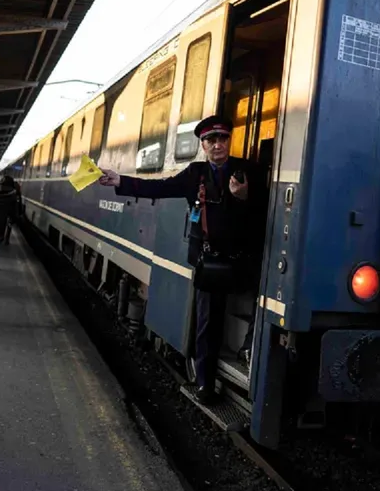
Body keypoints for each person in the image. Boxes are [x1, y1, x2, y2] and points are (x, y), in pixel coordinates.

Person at [98, 115, 267, 404]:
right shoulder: (195, 174)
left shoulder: (247, 170)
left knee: (261, 306)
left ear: (229, 141)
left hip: (242, 260)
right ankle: (204, 383)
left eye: (223, 138)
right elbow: (161, 188)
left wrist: (246, 197)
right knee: (208, 325)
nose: (217, 145)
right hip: (212, 262)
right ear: (203, 145)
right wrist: (121, 180)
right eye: (211, 140)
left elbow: (267, 209)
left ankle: (249, 353)